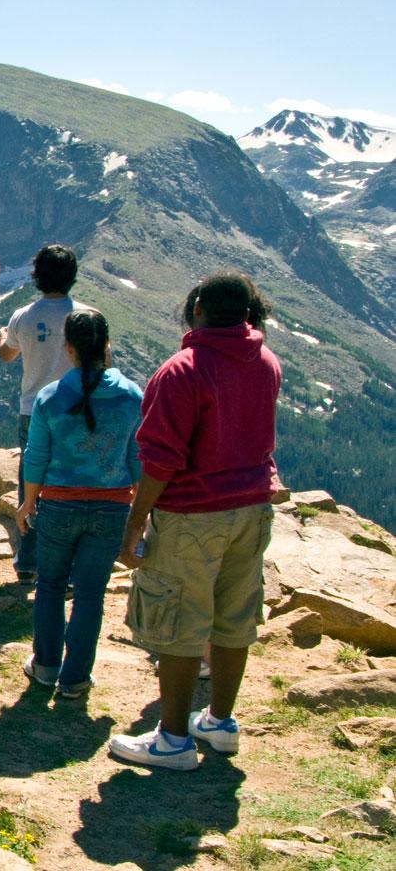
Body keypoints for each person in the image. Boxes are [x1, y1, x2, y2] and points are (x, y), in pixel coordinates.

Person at [108, 273, 281, 771]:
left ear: (198, 307)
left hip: (192, 514)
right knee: (234, 617)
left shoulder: (182, 371)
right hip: (252, 507)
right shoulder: (266, 361)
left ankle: (173, 739)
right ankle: (220, 722)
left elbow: (160, 459)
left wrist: (136, 521)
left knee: (179, 623)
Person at [17, 310, 143, 699]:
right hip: (112, 507)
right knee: (91, 592)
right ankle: (75, 679)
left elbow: (36, 455)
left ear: (68, 348)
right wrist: (140, 505)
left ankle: (46, 665)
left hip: (57, 506)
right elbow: (138, 455)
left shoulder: (51, 397)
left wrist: (28, 502)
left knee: (51, 586)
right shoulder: (132, 395)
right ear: (107, 347)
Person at [0, 244, 95, 581]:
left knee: (32, 482)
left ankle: (29, 561)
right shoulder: (88, 316)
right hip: (78, 408)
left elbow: (7, 355)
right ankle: (67, 566)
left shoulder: (23, 316)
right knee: (73, 480)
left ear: (37, 276)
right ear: (73, 276)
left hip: (33, 408)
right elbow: (104, 364)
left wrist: (2, 338)